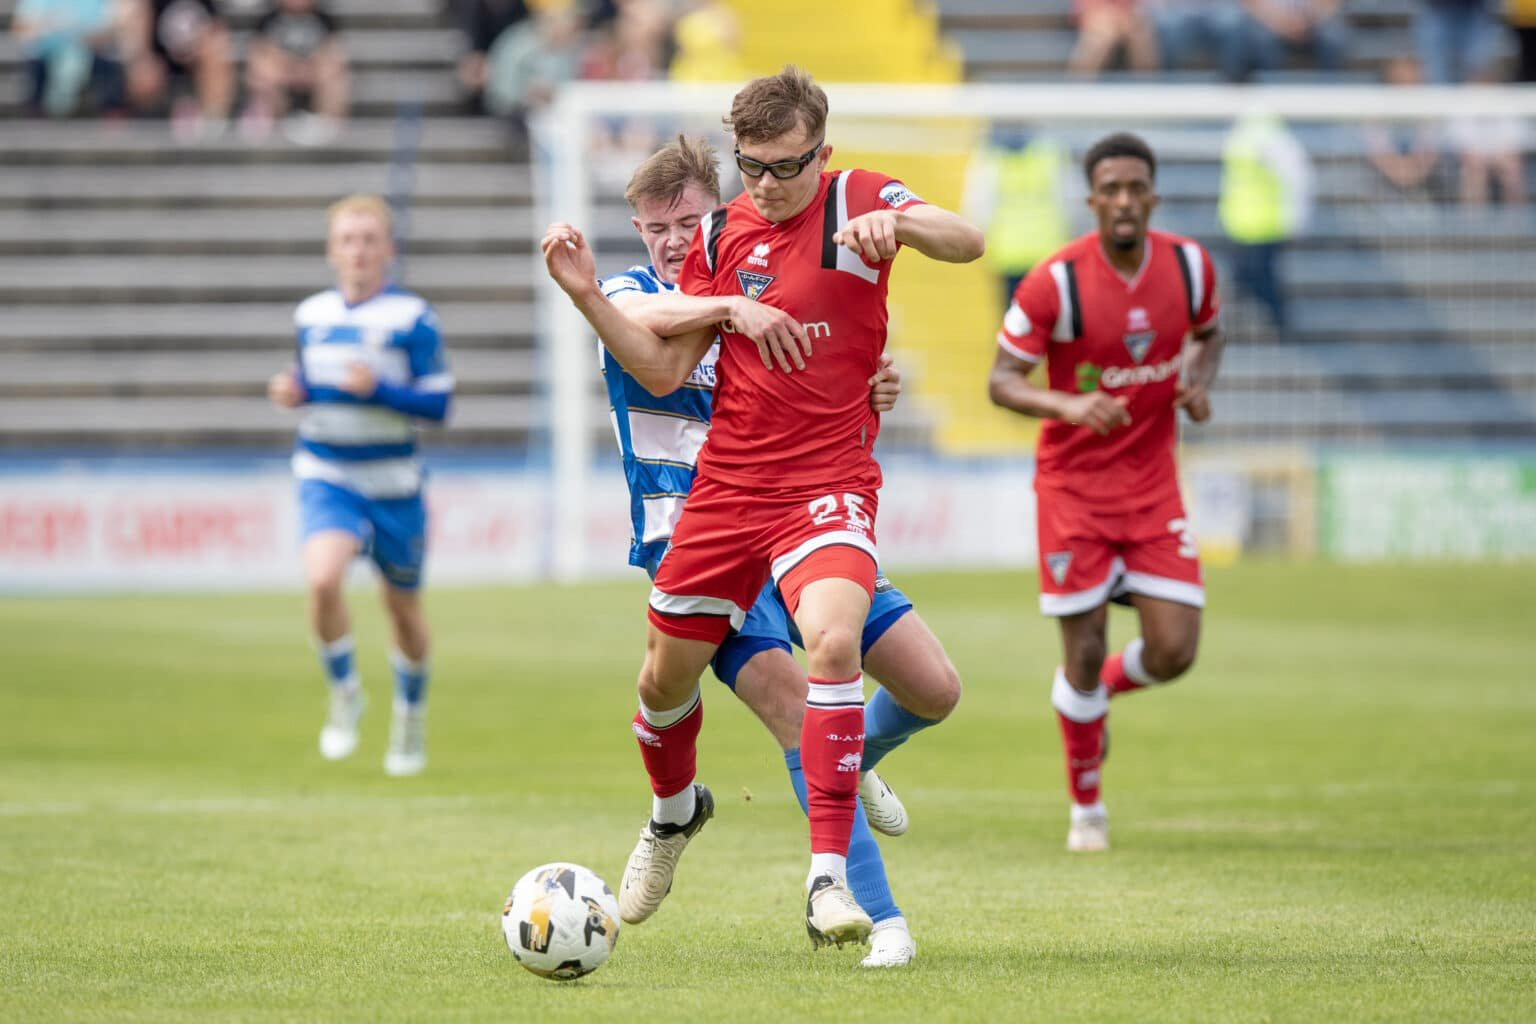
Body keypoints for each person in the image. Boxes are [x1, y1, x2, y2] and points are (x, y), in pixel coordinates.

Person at [542, 65, 984, 948]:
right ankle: (739, 836)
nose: (676, 240)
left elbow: (962, 240)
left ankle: (841, 772)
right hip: (706, 516)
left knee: (930, 688)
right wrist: (698, 304)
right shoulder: (644, 292)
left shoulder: (830, 212)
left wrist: (869, 357)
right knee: (745, 693)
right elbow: (660, 359)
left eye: (687, 222)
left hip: (811, 502)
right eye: (657, 227)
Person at [986, 132, 1225, 853]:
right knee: (1083, 647)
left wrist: (1197, 382)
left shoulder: (1189, 267)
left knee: (1175, 649)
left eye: (1136, 189)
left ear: (1153, 196)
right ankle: (1087, 807)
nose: (1124, 201)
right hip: (1075, 491)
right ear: (1091, 200)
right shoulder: (1053, 283)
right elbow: (1001, 381)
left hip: (1153, 487)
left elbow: (1211, 333)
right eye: (1111, 189)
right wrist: (1068, 405)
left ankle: (1089, 700)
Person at [266, 194, 453, 778]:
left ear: (388, 249)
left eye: (369, 239)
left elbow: (439, 403)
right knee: (323, 579)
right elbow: (310, 381)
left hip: (394, 482)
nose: (359, 250)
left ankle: (410, 715)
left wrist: (382, 391)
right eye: (348, 240)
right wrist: (293, 391)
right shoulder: (311, 315)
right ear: (332, 250)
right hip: (328, 472)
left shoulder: (413, 318)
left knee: (403, 610)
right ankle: (345, 692)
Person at [1219, 106, 1312, 340]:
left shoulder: (1268, 134)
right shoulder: (1243, 130)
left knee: (1260, 280)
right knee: (1244, 279)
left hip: (1265, 226)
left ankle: (1282, 327)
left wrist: (1296, 219)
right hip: (1241, 225)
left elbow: (1298, 177)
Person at [242, 0, 349, 145]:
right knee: (261, 77)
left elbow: (334, 52)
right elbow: (260, 53)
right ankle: (273, 126)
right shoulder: (268, 20)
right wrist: (289, 70)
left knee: (337, 81)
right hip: (280, 76)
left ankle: (329, 130)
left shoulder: (325, 20)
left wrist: (310, 70)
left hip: (314, 75)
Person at [123, 0, 235, 139]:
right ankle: (144, 134)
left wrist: (194, 50)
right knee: (143, 73)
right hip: (162, 59)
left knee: (216, 57)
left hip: (199, 57)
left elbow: (217, 29)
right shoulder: (152, 4)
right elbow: (143, 43)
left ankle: (213, 130)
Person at [13, 0, 128, 118]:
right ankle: (40, 114)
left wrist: (79, 38)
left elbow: (110, 30)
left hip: (91, 52)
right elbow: (24, 30)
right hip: (48, 54)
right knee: (37, 66)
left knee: (109, 67)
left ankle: (111, 116)